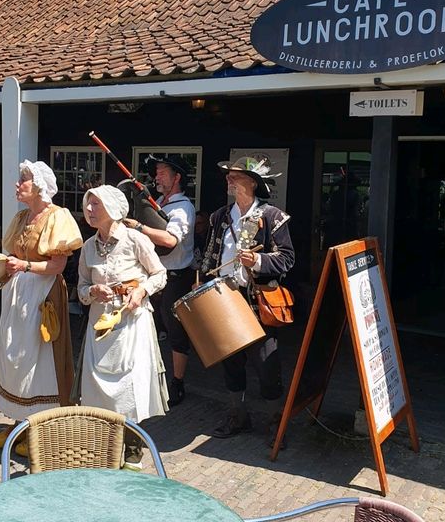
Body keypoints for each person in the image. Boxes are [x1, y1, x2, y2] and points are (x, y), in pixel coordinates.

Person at [0, 160, 83, 456]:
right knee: (13, 353)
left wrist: (25, 265)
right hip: (18, 292)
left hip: (43, 294)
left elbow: (58, 265)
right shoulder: (21, 218)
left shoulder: (58, 217)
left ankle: (41, 428)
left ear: (40, 185)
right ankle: (18, 423)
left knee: (39, 358)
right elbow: (12, 255)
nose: (18, 184)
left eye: (24, 180)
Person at [201, 156, 295, 443]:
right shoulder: (220, 217)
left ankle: (276, 422)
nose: (229, 179)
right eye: (228, 176)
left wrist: (257, 260)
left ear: (252, 183)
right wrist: (203, 285)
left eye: (236, 176)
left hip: (257, 302)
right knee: (231, 362)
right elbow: (208, 259)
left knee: (267, 364)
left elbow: (287, 259)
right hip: (225, 299)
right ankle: (238, 416)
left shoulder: (272, 217)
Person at [76, 185, 168, 469]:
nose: (90, 210)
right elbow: (79, 287)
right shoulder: (87, 247)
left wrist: (141, 292)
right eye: (87, 205)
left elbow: (160, 274)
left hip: (131, 323)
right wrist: (93, 291)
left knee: (129, 386)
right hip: (99, 326)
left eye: (96, 205)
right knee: (96, 389)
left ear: (113, 209)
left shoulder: (135, 239)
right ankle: (103, 447)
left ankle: (132, 450)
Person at [123, 154, 195, 407]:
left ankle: (177, 383)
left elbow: (169, 241)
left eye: (163, 172)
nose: (157, 176)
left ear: (177, 178)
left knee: (175, 332)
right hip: (151, 276)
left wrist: (138, 227)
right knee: (147, 326)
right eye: (157, 172)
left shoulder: (183, 207)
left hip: (175, 278)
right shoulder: (156, 204)